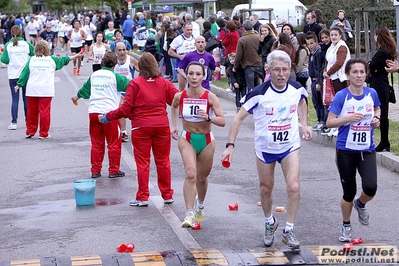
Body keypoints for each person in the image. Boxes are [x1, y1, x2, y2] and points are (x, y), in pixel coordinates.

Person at [221, 50, 312, 250]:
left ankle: (289, 230)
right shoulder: (259, 93)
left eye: (285, 70)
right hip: (265, 149)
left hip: (289, 146)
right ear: (268, 70)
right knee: (265, 188)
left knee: (294, 186)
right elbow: (237, 118)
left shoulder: (296, 89)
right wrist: (230, 146)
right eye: (277, 70)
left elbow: (303, 102)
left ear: (290, 70)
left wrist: (304, 124)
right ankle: (270, 222)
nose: (281, 74)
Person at [99, 52, 178, 206]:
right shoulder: (164, 83)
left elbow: (125, 109)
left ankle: (142, 197)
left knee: (143, 163)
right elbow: (176, 100)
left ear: (140, 66)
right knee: (163, 161)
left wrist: (109, 115)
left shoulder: (135, 84)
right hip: (161, 125)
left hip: (140, 127)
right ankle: (167, 194)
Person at [326, 58, 380, 242]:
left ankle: (361, 203)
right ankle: (346, 225)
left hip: (367, 149)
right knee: (348, 192)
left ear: (366, 74)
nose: (358, 76)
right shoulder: (342, 96)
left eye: (361, 72)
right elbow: (329, 122)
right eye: (354, 72)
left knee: (371, 188)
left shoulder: (371, 93)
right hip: (346, 151)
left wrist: (376, 119)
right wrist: (347, 118)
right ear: (347, 75)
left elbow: (377, 109)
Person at [171, 62, 225, 227]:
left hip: (206, 140)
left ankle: (200, 205)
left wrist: (209, 118)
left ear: (203, 76)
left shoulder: (210, 97)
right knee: (190, 174)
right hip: (187, 138)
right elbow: (173, 107)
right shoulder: (180, 96)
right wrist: (174, 125)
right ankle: (189, 213)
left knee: (201, 178)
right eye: (191, 74)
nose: (194, 77)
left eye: (198, 74)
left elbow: (222, 120)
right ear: (186, 75)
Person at [71, 52, 129, 179]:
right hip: (109, 114)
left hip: (93, 112)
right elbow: (132, 86)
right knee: (114, 142)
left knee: (97, 143)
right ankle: (114, 170)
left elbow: (85, 91)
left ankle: (95, 170)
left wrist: (76, 97)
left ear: (102, 62)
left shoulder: (94, 75)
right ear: (115, 64)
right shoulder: (116, 77)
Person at [15, 40, 81, 139]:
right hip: (46, 90)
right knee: (44, 112)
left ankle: (30, 131)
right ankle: (43, 133)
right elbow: (65, 59)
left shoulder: (31, 60)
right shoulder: (52, 59)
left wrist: (19, 84)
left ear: (36, 49)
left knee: (31, 111)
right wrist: (76, 56)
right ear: (47, 49)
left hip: (32, 89)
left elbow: (25, 73)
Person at [368, 26, 398, 152]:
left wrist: (371, 66)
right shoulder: (389, 51)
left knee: (381, 112)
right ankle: (384, 141)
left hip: (379, 83)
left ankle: (384, 141)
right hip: (382, 82)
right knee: (383, 111)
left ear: (378, 36)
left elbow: (371, 65)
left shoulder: (382, 52)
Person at [1, 25, 35, 130]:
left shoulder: (8, 45)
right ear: (21, 33)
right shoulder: (26, 44)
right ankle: (27, 121)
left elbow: (5, 60)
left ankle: (14, 122)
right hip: (24, 75)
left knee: (15, 99)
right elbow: (34, 55)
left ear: (11, 33)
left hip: (13, 75)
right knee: (26, 99)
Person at [114, 42, 139, 143]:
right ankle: (123, 132)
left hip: (130, 90)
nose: (122, 52)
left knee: (134, 112)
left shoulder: (131, 60)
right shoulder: (113, 61)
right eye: (119, 50)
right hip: (117, 90)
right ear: (115, 51)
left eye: (124, 50)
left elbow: (142, 71)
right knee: (121, 110)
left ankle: (137, 130)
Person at [234, 20, 263, 92]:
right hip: (259, 63)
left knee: (250, 87)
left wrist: (235, 66)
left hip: (248, 65)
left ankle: (252, 100)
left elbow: (238, 55)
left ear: (244, 28)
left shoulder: (242, 39)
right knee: (260, 83)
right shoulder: (259, 37)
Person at [306, 32, 325, 131]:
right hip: (312, 79)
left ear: (316, 42)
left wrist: (319, 82)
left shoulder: (319, 53)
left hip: (317, 80)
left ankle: (322, 121)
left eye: (311, 43)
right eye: (308, 44)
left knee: (320, 101)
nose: (310, 46)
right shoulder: (312, 54)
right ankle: (319, 120)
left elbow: (319, 69)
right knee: (315, 102)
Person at [168, 22, 196, 91]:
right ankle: (180, 100)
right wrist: (179, 56)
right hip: (182, 64)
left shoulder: (194, 38)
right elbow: (170, 51)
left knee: (193, 87)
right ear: (183, 29)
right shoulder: (179, 39)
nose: (190, 32)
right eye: (188, 30)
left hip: (193, 64)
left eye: (191, 30)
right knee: (182, 88)